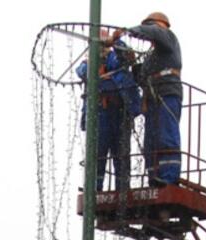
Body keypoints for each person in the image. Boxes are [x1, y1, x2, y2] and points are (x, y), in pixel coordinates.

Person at [107, 12, 182, 187]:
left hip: (167, 94)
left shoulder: (169, 38)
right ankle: (155, 176)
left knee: (166, 136)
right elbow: (139, 75)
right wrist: (122, 49)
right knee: (151, 141)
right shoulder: (152, 57)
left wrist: (125, 32)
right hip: (153, 97)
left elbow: (155, 32)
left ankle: (169, 177)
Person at [76, 30, 140, 192]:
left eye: (103, 45)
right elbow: (83, 72)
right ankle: (94, 187)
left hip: (119, 112)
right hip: (100, 114)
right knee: (98, 152)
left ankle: (122, 189)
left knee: (121, 154)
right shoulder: (88, 64)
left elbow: (126, 58)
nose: (101, 49)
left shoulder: (115, 57)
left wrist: (115, 42)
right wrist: (96, 65)